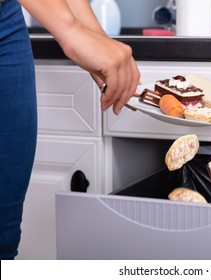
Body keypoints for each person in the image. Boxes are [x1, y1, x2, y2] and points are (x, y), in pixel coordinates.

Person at [0, 0, 140, 259]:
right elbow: (71, 31)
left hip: (5, 19)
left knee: (3, 238)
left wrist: (96, 38)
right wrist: (72, 31)